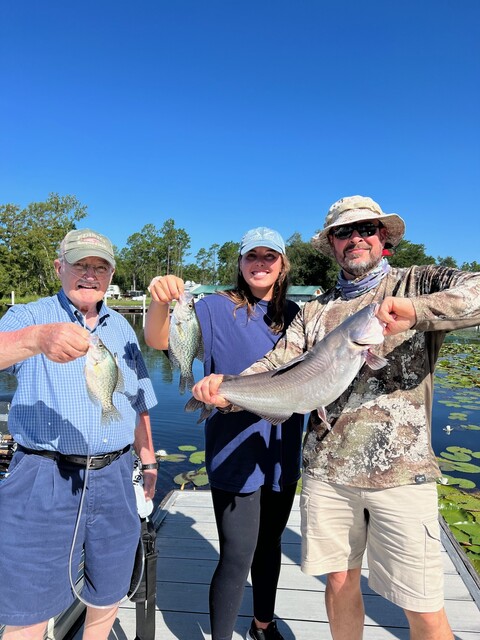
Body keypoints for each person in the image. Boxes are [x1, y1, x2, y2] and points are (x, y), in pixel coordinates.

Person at [192, 196, 480, 640]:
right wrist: (223, 390)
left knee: (421, 604)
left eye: (366, 228)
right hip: (328, 475)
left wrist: (415, 312)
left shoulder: (416, 283)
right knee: (340, 584)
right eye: (344, 232)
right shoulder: (315, 310)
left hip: (401, 475)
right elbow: (276, 365)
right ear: (331, 244)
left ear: (383, 237)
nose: (355, 238)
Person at [144, 227, 304, 640]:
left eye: (270, 257)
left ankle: (262, 625)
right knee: (237, 554)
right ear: (239, 263)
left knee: (269, 547)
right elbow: (160, 338)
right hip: (232, 448)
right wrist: (160, 302)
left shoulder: (300, 316)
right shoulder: (215, 308)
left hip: (281, 449)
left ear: (283, 265)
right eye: (252, 256)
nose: (260, 264)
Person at [0, 229, 158, 640]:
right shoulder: (29, 317)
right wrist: (36, 340)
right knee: (27, 608)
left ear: (110, 275)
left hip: (116, 474)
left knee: (107, 594)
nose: (90, 275)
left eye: (100, 267)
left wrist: (149, 459)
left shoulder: (122, 328)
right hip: (43, 476)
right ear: (60, 268)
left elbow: (138, 400)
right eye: (81, 265)